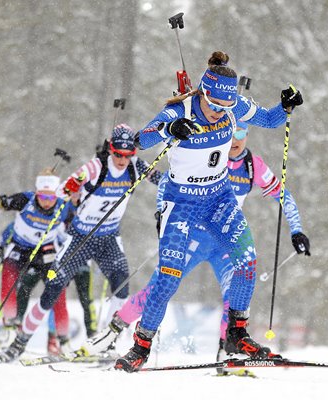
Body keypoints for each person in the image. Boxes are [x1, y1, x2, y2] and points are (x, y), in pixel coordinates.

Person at [111, 50, 303, 372]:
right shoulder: (180, 110)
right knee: (168, 279)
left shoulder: (233, 106)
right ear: (203, 93)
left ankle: (236, 335)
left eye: (225, 107)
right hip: (182, 204)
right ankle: (140, 346)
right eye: (214, 106)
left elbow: (269, 119)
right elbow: (139, 140)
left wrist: (285, 107)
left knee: (247, 261)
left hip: (219, 199)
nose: (219, 113)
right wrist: (169, 131)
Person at [77, 120, 310, 376]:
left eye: (241, 134)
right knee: (159, 288)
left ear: (247, 135)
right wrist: (162, 212)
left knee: (235, 292)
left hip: (221, 245)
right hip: (192, 239)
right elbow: (169, 180)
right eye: (231, 134)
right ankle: (113, 332)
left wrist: (296, 229)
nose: (235, 140)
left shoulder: (253, 166)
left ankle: (228, 353)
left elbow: (283, 195)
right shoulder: (209, 154)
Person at [0, 125, 163, 362]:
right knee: (53, 288)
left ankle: (106, 342)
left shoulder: (137, 167)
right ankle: (19, 343)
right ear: (110, 150)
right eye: (118, 154)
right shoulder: (95, 167)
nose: (123, 160)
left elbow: (164, 181)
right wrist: (70, 190)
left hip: (108, 238)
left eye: (128, 154)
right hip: (80, 238)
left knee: (121, 282)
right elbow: (65, 189)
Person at [0, 169, 75, 350]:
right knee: (8, 288)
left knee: (58, 292)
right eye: (43, 197)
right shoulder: (24, 200)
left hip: (46, 252)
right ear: (36, 192)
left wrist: (71, 260)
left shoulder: (64, 208)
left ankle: (63, 343)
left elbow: (75, 232)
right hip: (20, 249)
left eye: (51, 198)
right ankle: (10, 329)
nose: (47, 202)